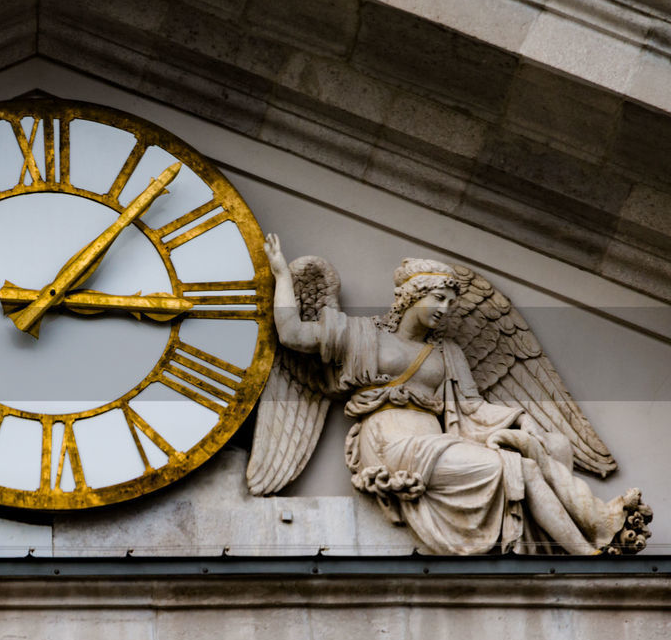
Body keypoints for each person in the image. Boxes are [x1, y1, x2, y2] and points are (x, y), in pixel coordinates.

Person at [263, 234, 643, 555]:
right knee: (509, 468)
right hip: (390, 443)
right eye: (438, 299)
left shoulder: (448, 353)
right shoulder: (361, 334)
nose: (445, 309)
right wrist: (282, 275)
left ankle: (595, 532)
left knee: (528, 461)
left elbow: (473, 408)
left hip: (435, 441)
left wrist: (523, 420)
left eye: (450, 301)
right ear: (412, 296)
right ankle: (587, 550)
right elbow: (292, 334)